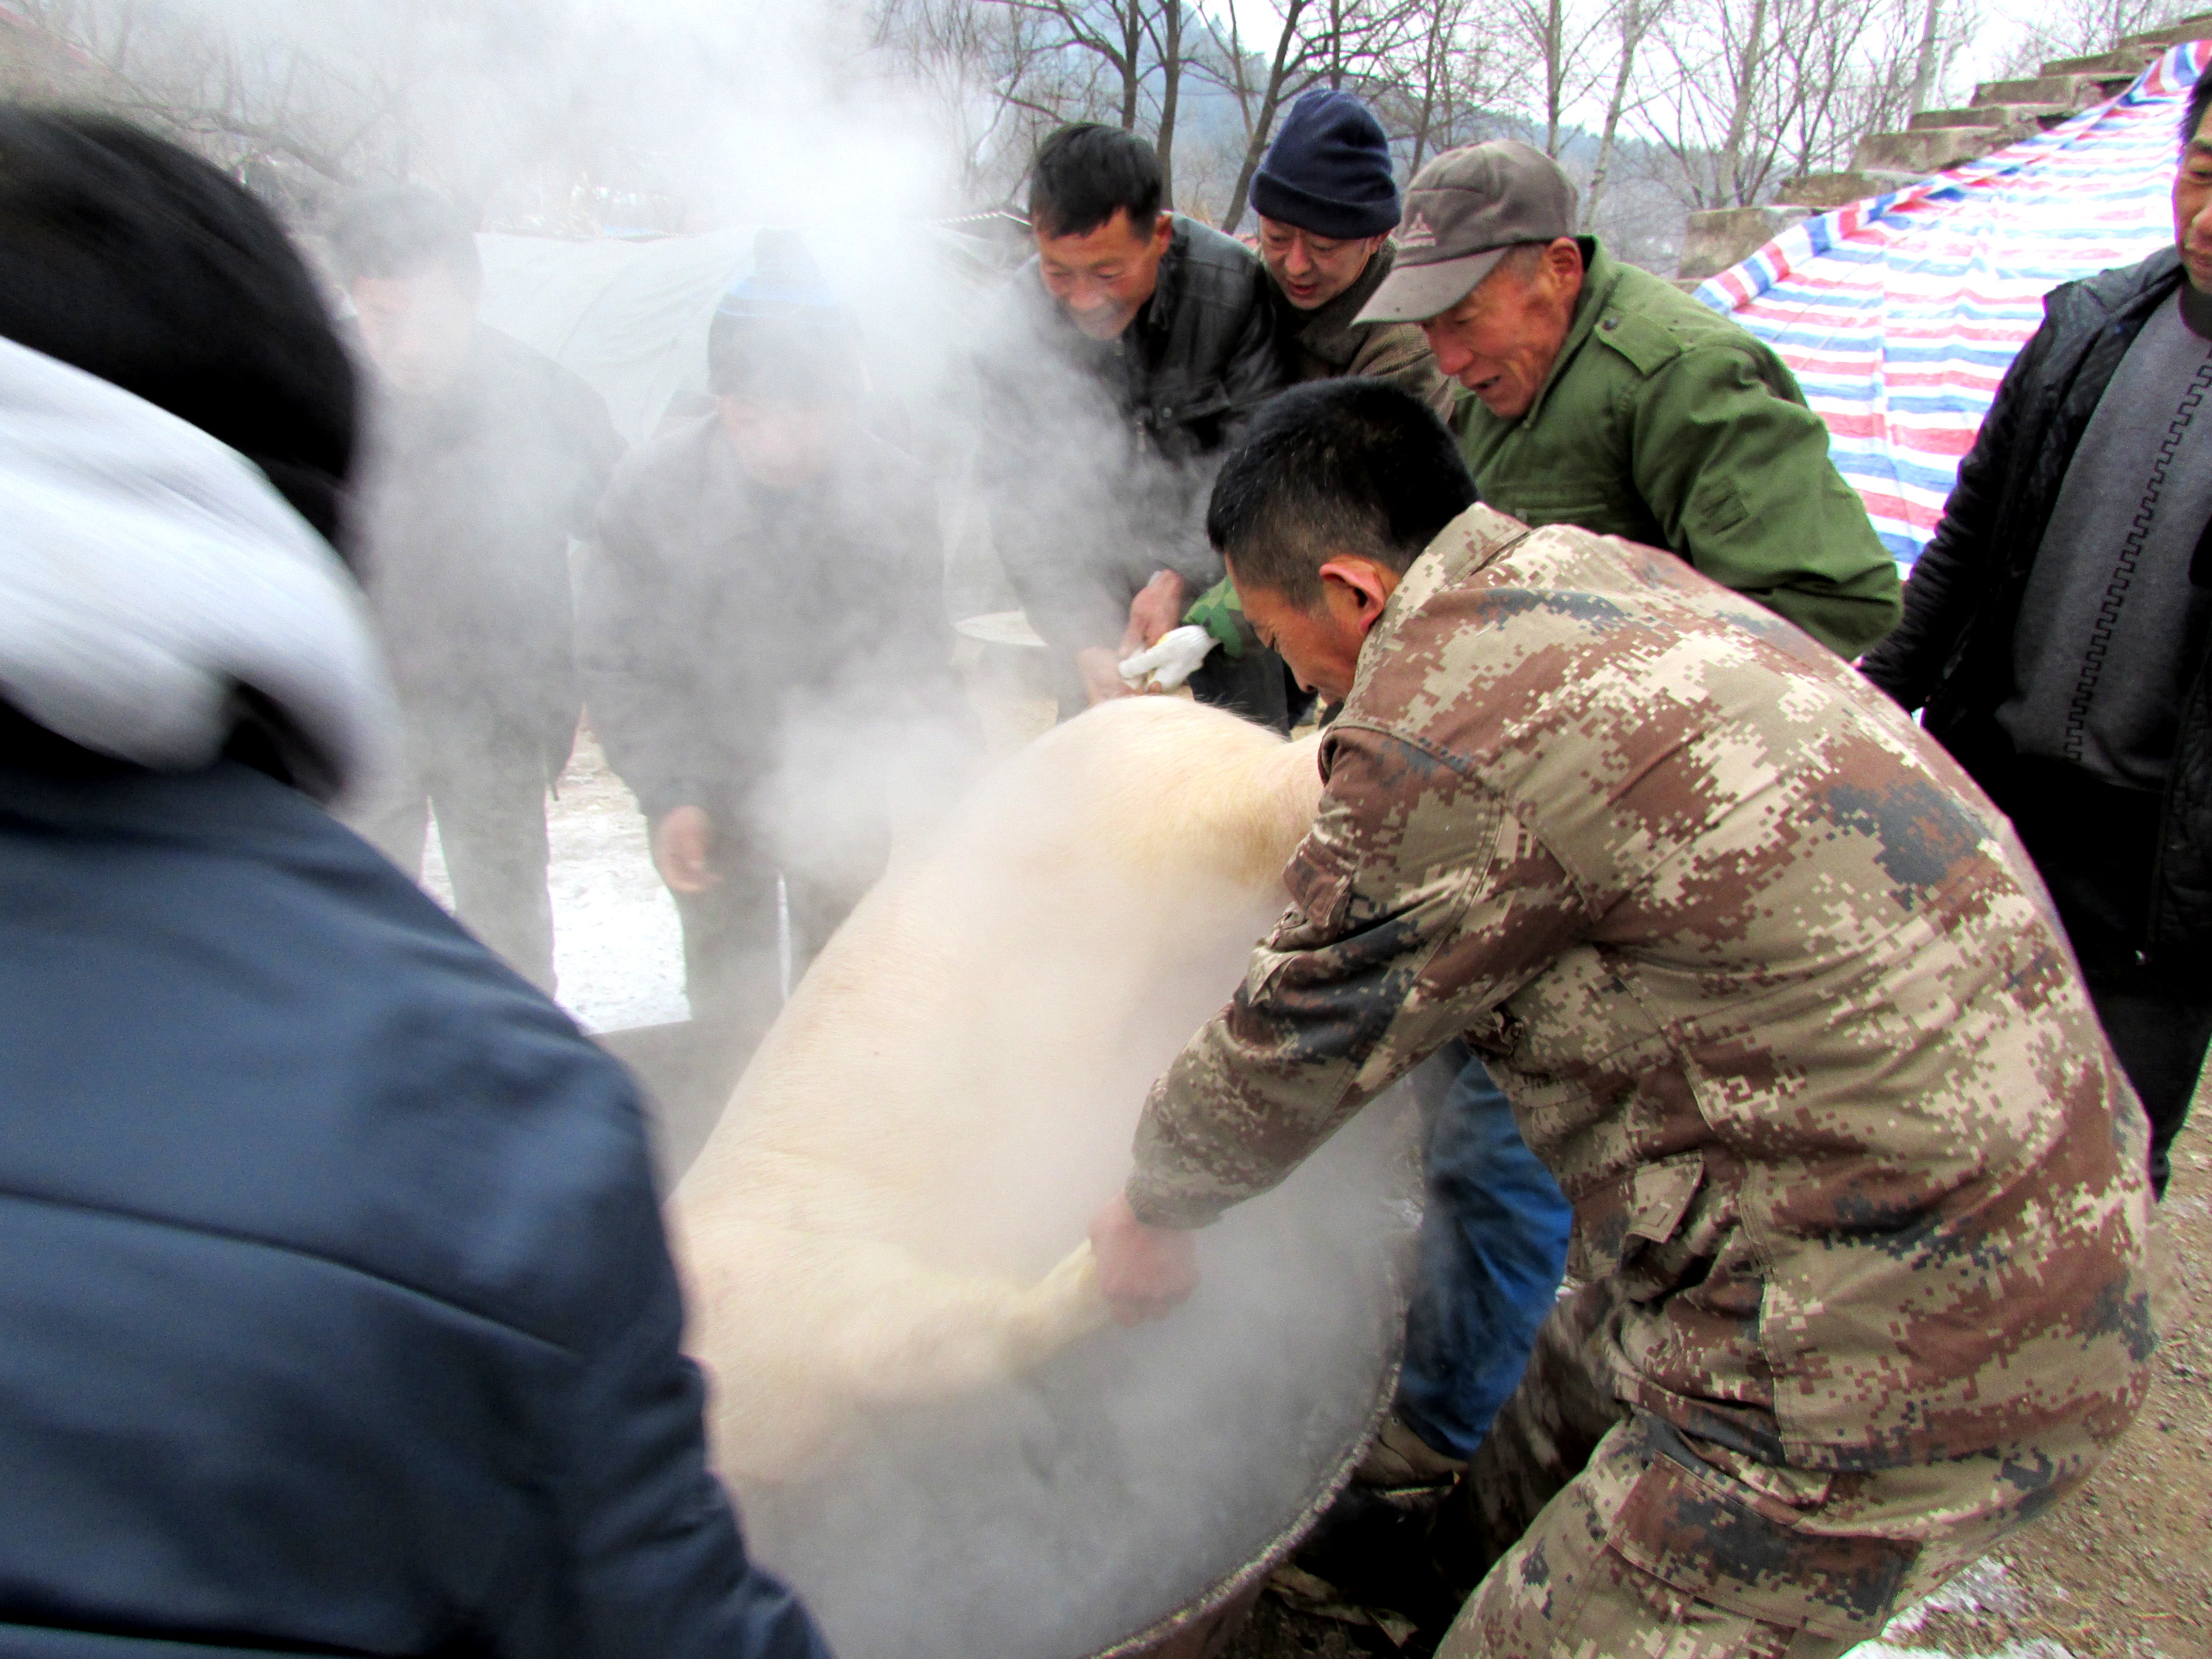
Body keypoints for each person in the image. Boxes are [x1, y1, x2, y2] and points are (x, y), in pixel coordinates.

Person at [1087, 380, 2155, 1656]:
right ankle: (1379, 1610)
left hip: (1903, 1316)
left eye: (1285, 640)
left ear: (1356, 591)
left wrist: (1152, 1204)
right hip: (1958, 1159)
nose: (1299, 680)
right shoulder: (1574, 576)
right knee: (1524, 1463)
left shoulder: (1445, 729)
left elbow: (1299, 1036)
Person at [0, 108, 827, 1659]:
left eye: (410, 296)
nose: (393, 326)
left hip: (482, 716)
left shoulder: (543, 403)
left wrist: (578, 695)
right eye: (365, 304)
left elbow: (607, 553)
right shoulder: (506, 1146)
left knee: (489, 932)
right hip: (370, 728)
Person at [1860, 77, 2212, 1200]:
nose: (2209, 212)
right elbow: (1964, 545)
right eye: (2203, 172)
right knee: (1928, 1109)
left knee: (2096, 1164)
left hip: (2161, 865)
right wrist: (1872, 711)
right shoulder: (2087, 330)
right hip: (1998, 801)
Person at [580, 232, 965, 1068]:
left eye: (811, 415)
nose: (782, 441)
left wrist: (942, 786)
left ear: (844, 402)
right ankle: (735, 1144)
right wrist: (670, 791)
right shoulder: (652, 494)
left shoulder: (892, 490)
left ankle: (845, 1142)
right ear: (725, 402)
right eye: (755, 416)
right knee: (732, 1012)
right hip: (709, 785)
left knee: (849, 992)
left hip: (843, 784)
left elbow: (915, 659)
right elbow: (619, 662)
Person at [1357, 139, 1901, 662]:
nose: (1448, 360)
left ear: (1560, 270)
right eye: (1429, 327)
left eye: (1465, 320)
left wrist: (1622, 677)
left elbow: (1835, 601)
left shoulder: (1681, 377)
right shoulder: (1499, 374)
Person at [335, 186, 623, 993]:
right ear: (353, 301)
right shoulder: (322, 395)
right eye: (382, 320)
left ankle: (517, 1089)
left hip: (499, 711)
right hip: (365, 716)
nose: (408, 346)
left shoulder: (544, 400)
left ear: (470, 297)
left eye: (428, 317)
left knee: (508, 936)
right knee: (361, 929)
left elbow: (628, 537)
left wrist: (599, 666)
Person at [1131, 89, 1457, 712]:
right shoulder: (1248, 289)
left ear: (1377, 237)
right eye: (1278, 237)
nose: (1296, 265)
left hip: (1366, 593)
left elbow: (1332, 515)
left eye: (1325, 248)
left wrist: (1210, 623)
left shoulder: (1404, 345)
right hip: (1245, 572)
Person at [972, 123, 1302, 730]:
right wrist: (1084, 638)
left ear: (1160, 235)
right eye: (1058, 273)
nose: (1084, 298)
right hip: (1096, 608)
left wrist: (1182, 574)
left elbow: (1257, 458)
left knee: (1238, 782)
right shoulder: (1011, 329)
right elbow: (1022, 509)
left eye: (1106, 273)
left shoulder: (1231, 291)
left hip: (1223, 592)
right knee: (1103, 796)